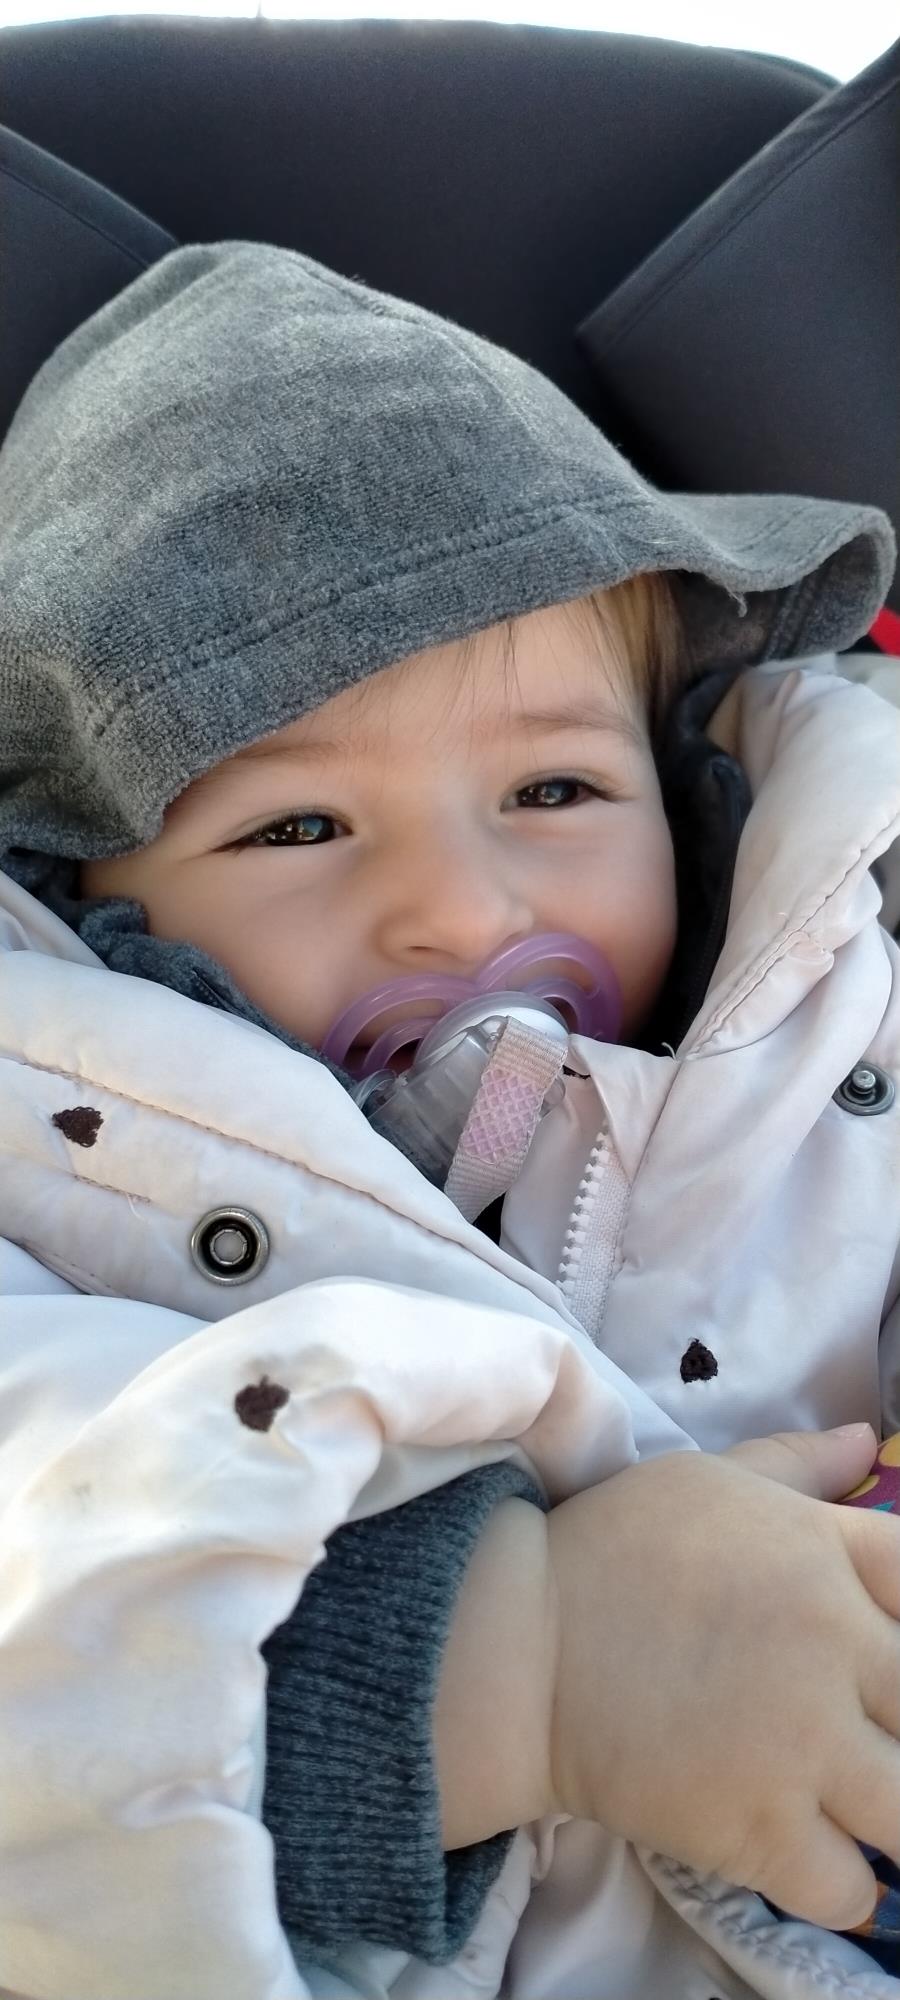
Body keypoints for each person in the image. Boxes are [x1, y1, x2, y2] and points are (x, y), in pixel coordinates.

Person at [1, 238, 899, 2000]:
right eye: (298, 830)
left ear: (685, 794)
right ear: (80, 896)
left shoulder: (843, 1054)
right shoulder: (52, 1179)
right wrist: (524, 1669)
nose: (463, 912)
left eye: (554, 789)